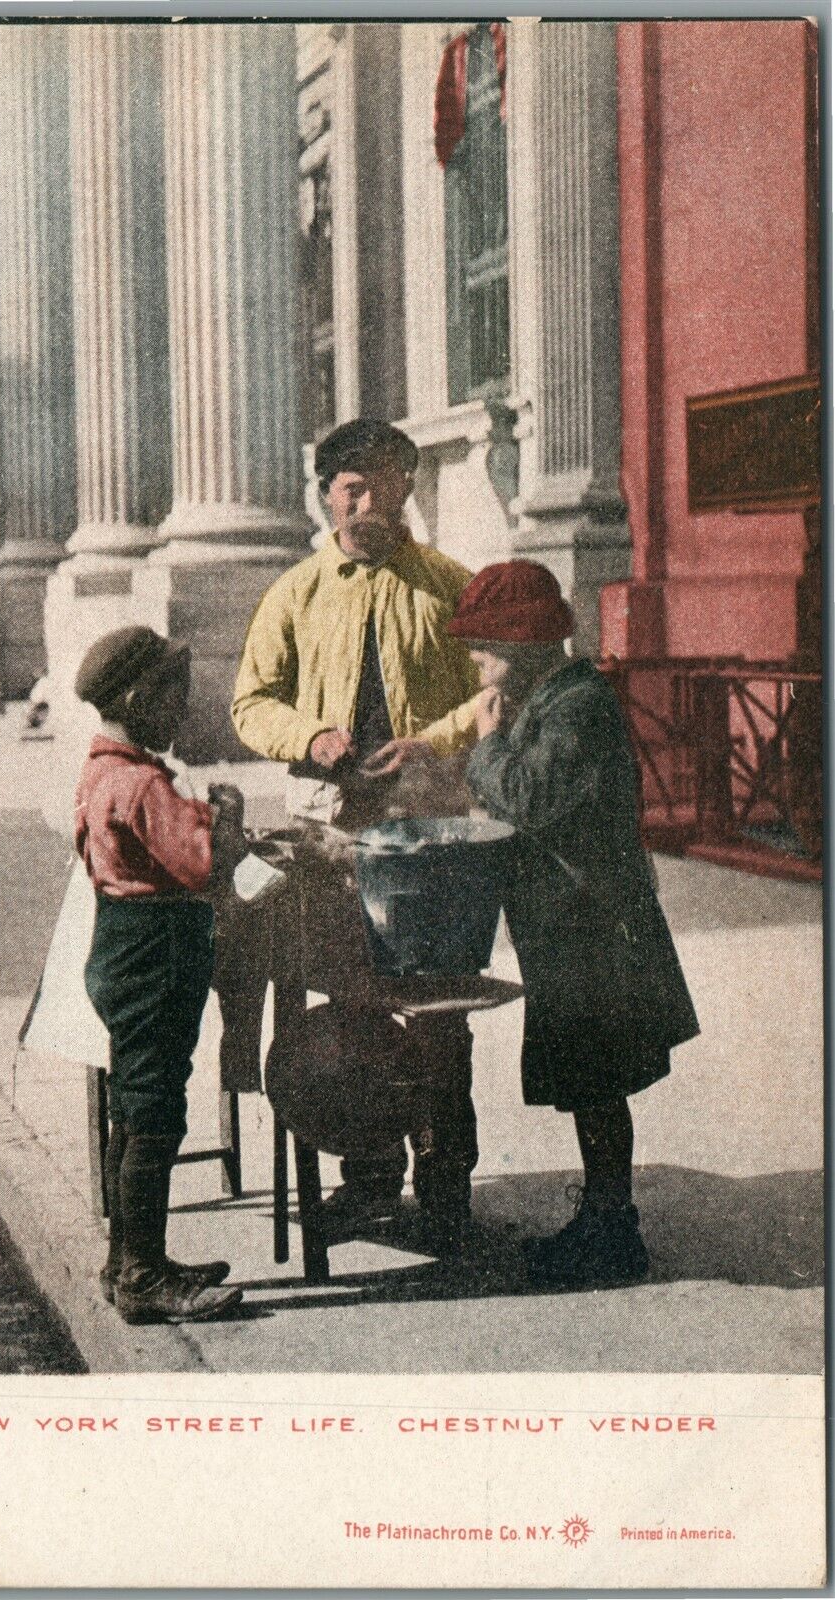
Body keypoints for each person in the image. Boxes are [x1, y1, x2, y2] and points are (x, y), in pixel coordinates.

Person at [232, 417, 484, 1251]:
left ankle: (446, 1183)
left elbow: (491, 696)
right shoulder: (295, 594)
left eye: (385, 483)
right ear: (326, 496)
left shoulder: (452, 586)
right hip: (337, 842)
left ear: (409, 489)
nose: (368, 501)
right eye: (351, 487)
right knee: (350, 1006)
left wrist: (434, 741)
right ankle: (369, 1178)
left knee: (443, 1011)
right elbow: (252, 701)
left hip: (432, 839)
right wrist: (310, 738)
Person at [449, 561, 700, 1288]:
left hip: (594, 931)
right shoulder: (550, 695)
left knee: (597, 1080)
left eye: (483, 644)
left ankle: (613, 1233)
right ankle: (602, 1217)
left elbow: (527, 795)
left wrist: (487, 746)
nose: (474, 658)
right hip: (570, 927)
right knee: (590, 1081)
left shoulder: (577, 705)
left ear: (520, 642)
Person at [74, 626, 247, 1325]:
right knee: (155, 1111)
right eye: (175, 697)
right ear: (141, 697)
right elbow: (204, 861)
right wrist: (228, 816)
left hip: (123, 948)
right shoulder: (143, 782)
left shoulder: (102, 772)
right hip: (157, 954)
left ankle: (126, 1262)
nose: (182, 711)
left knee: (134, 1104)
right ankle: (145, 1277)